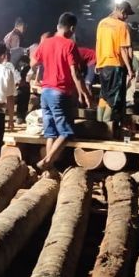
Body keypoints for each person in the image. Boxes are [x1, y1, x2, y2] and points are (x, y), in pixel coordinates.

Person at [31, 12, 92, 170]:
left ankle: (48, 170)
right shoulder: (69, 44)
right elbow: (75, 73)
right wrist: (83, 92)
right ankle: (47, 161)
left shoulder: (45, 42)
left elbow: (34, 62)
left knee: (50, 132)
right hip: (59, 93)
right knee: (66, 132)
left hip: (45, 93)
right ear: (72, 28)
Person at [94, 1, 136, 138]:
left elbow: (98, 43)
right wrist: (130, 69)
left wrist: (97, 62)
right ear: (122, 12)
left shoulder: (102, 23)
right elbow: (123, 49)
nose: (127, 17)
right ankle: (107, 130)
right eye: (127, 14)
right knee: (114, 99)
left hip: (102, 65)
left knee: (104, 96)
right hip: (115, 66)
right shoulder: (122, 26)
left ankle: (98, 125)